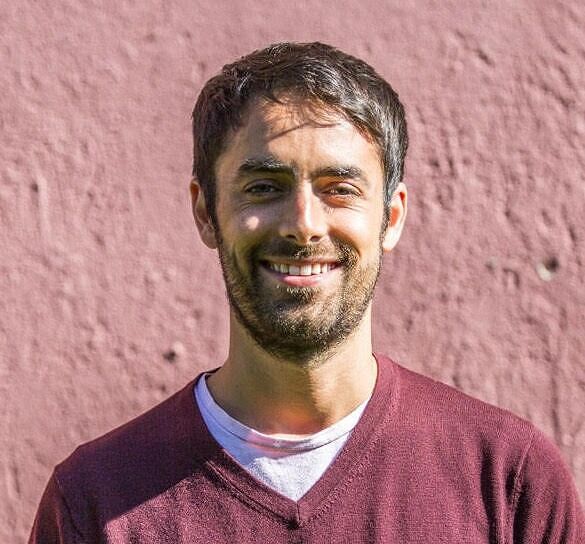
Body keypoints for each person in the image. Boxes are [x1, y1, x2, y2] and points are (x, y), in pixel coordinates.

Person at [29, 41, 583, 543]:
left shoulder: (508, 482)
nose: (304, 225)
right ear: (205, 212)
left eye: (339, 189)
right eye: (263, 187)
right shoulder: (94, 502)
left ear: (391, 217)